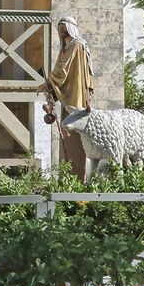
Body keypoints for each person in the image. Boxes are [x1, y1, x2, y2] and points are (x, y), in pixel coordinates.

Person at [46, 16, 95, 179]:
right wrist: (50, 86)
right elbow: (60, 71)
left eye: (64, 26)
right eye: (59, 27)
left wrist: (49, 81)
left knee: (75, 136)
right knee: (67, 137)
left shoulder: (77, 46)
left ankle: (78, 177)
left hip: (76, 97)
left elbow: (63, 71)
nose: (61, 30)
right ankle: (67, 177)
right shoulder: (65, 48)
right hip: (68, 97)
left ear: (71, 28)